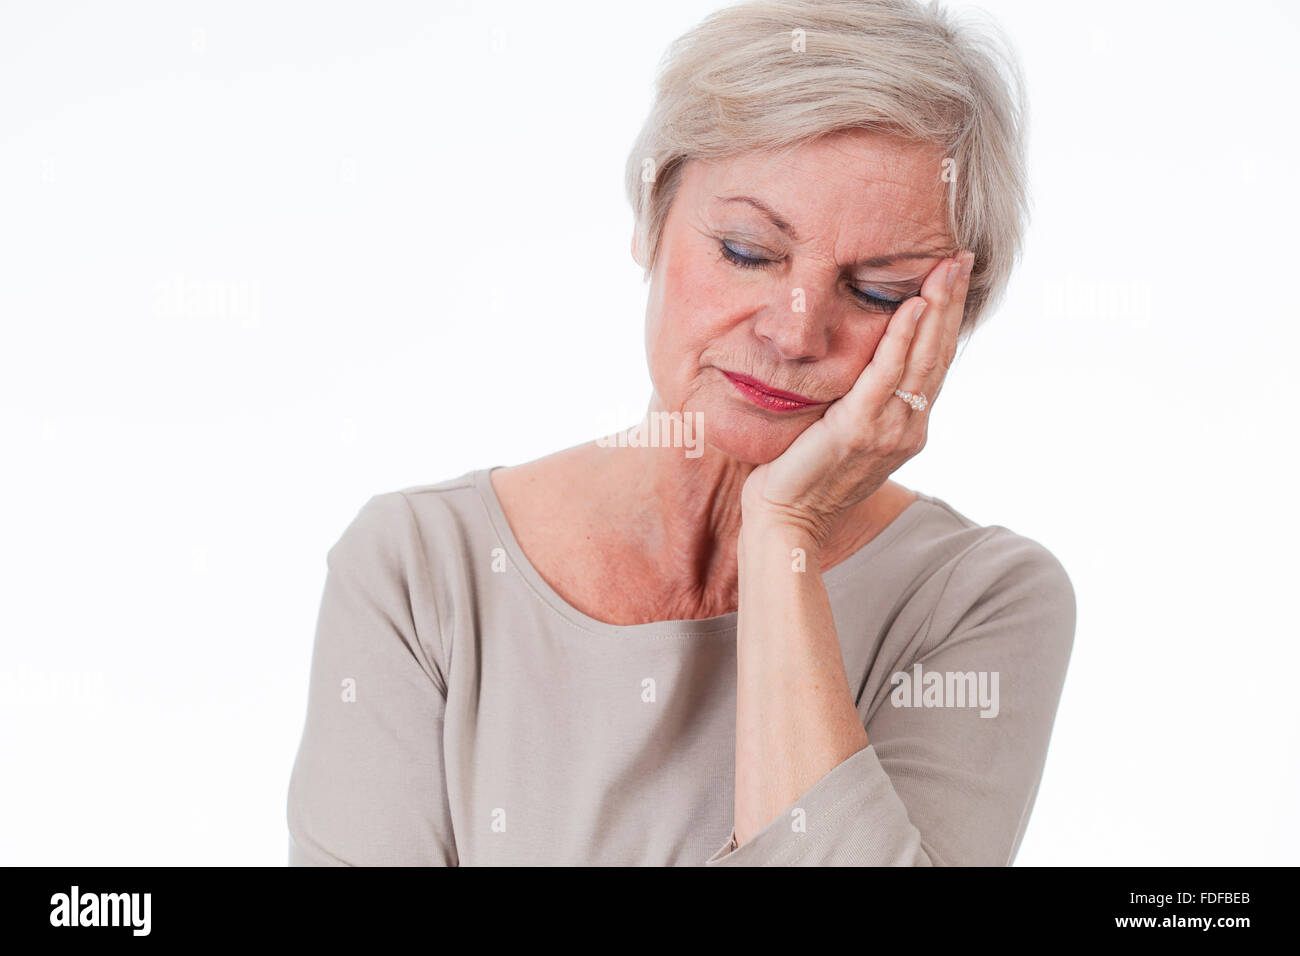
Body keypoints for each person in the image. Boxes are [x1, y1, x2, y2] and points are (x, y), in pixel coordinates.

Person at [287, 0, 1076, 866]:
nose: (793, 332)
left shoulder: (981, 601)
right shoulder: (418, 569)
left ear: (947, 323)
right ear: (651, 214)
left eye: (879, 291)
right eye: (747, 250)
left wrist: (785, 537)